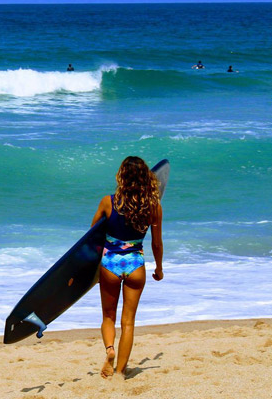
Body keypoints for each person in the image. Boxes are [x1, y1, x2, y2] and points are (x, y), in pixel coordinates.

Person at [90, 156, 164, 379]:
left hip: (110, 263)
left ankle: (109, 350)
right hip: (135, 265)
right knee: (128, 321)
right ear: (146, 178)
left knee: (108, 316)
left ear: (121, 176)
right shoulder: (154, 206)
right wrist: (159, 268)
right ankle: (121, 372)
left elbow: (91, 236)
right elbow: (157, 243)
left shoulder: (107, 202)